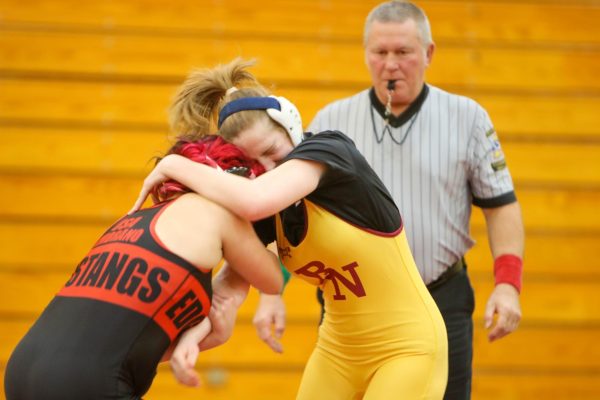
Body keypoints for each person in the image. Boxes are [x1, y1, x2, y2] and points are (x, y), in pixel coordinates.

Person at [130, 58, 448, 399]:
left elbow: (254, 200)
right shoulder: (270, 200)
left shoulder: (330, 151)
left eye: (272, 152)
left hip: (407, 347)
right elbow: (228, 289)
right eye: (255, 163)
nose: (268, 168)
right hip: (338, 350)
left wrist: (174, 164)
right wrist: (190, 340)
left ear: (290, 125)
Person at [276, 1, 521, 399]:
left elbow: (501, 205)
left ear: (428, 53)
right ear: (366, 54)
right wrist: (274, 292)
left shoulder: (468, 117)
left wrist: (508, 284)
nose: (391, 64)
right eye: (380, 52)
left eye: (403, 52)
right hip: (350, 309)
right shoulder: (329, 122)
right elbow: (292, 216)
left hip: (439, 298)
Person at [3, 133, 284, 400]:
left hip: (23, 368)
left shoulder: (133, 221)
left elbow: (124, 337)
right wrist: (267, 216)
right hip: (90, 380)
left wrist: (205, 332)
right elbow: (271, 280)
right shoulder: (216, 212)